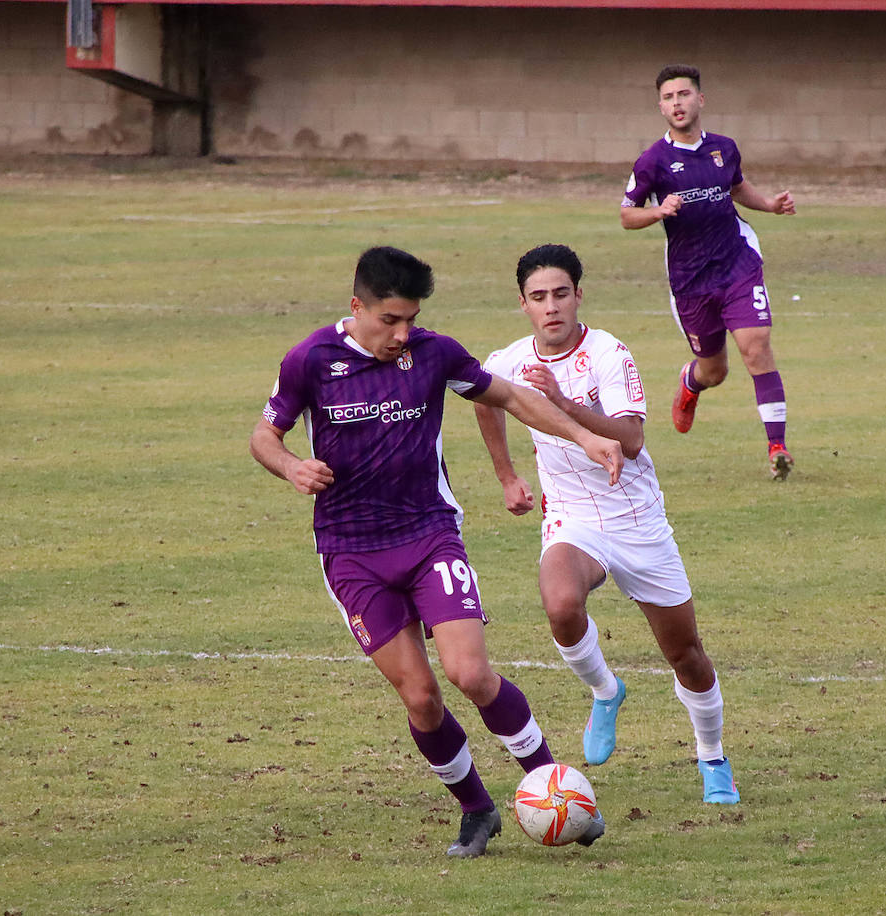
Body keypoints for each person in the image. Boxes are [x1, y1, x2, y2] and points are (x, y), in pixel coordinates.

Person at [250, 246, 624, 856]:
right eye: (390, 320)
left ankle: (558, 788)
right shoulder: (310, 360)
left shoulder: (434, 352)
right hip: (351, 553)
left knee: (470, 673)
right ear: (356, 307)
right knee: (421, 698)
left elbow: (506, 396)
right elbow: (265, 435)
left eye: (411, 320)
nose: (403, 333)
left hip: (428, 535)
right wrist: (291, 466)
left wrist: (585, 435)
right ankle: (478, 811)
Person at [474, 243, 738, 805]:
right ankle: (605, 689)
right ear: (523, 303)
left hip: (636, 518)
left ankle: (712, 757)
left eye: (561, 294)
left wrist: (563, 401)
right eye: (539, 297)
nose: (552, 307)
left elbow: (632, 439)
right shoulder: (509, 359)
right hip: (573, 517)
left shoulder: (609, 354)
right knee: (561, 605)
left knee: (685, 655)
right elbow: (483, 399)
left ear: (578, 296)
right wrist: (506, 476)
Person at [620, 64, 797, 480]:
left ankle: (777, 447)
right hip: (691, 279)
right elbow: (627, 215)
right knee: (714, 370)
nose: (677, 103)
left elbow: (736, 188)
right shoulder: (653, 161)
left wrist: (770, 204)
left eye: (684, 95)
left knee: (756, 346)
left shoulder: (724, 148)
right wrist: (658, 211)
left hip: (737, 261)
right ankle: (691, 382)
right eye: (668, 97)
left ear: (700, 100)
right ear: (660, 106)